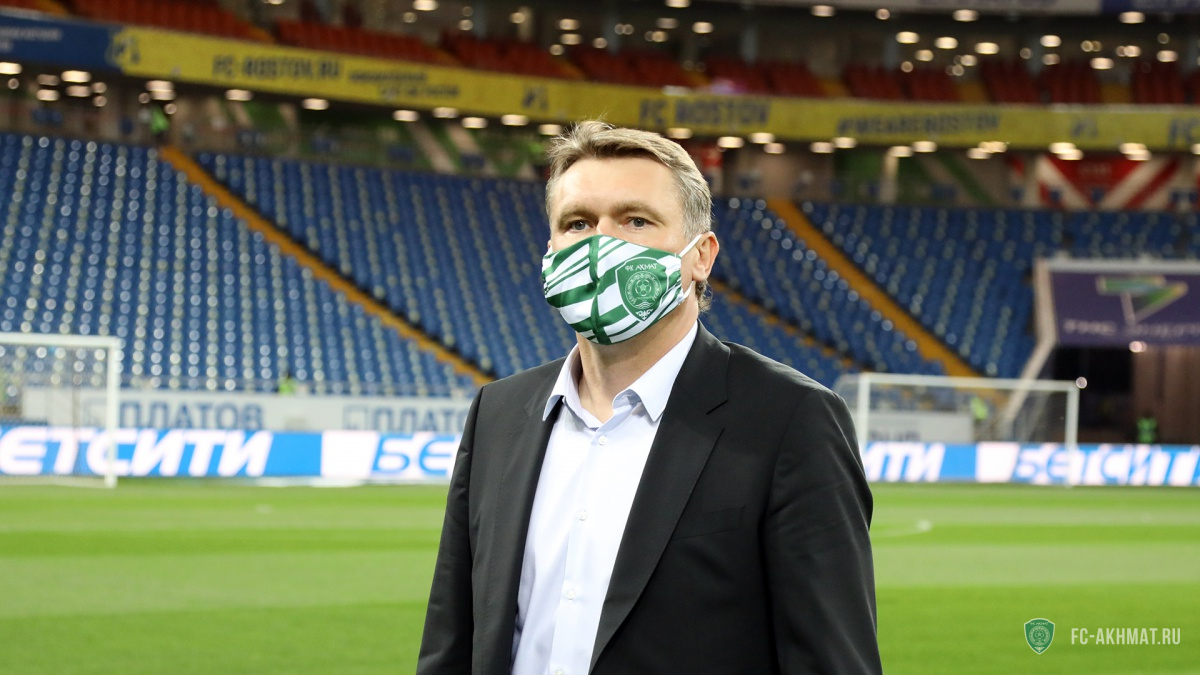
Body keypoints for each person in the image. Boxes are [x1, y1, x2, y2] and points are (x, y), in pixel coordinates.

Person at [418, 121, 881, 674]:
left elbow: (831, 659)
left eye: (635, 220)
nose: (600, 244)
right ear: (550, 250)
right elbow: (451, 642)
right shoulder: (497, 414)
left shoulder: (790, 420)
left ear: (701, 256)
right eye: (577, 223)